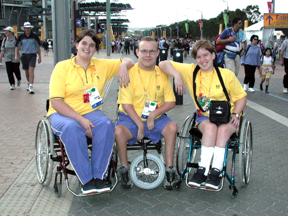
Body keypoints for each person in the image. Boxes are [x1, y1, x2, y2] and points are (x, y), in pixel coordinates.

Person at [46, 29, 134, 195]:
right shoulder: (62, 67)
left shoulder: (101, 66)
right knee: (72, 128)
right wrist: (80, 119)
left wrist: (122, 66)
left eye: (92, 45)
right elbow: (56, 102)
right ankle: (86, 179)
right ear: (77, 44)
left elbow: (130, 60)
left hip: (91, 112)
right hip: (63, 114)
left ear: (95, 49)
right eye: (84, 43)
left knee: (106, 124)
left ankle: (99, 176)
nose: (87, 47)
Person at [159, 39, 247, 190]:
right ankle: (202, 170)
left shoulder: (226, 75)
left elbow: (241, 97)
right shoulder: (192, 71)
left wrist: (236, 114)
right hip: (205, 117)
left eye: (206, 55)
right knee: (211, 128)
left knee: (223, 130)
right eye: (199, 57)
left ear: (213, 55)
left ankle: (216, 171)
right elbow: (163, 64)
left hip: (227, 116)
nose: (202, 60)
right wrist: (177, 76)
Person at [114, 36, 178, 190]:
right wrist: (139, 125)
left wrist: (153, 114)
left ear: (157, 53)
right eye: (144, 51)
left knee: (172, 128)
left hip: (156, 116)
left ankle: (170, 169)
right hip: (131, 117)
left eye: (151, 51)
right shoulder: (128, 72)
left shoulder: (162, 74)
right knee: (118, 131)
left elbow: (171, 102)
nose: (147, 55)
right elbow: (126, 104)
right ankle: (124, 167)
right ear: (137, 52)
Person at [15, 22, 42, 94]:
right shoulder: (21, 37)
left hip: (32, 55)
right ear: (24, 29)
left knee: (31, 70)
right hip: (24, 55)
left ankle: (31, 85)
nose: (27, 29)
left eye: (28, 28)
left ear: (30, 29)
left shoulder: (34, 36)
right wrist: (16, 55)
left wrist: (40, 57)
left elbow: (38, 47)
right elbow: (17, 46)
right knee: (26, 71)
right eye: (26, 28)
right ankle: (29, 82)